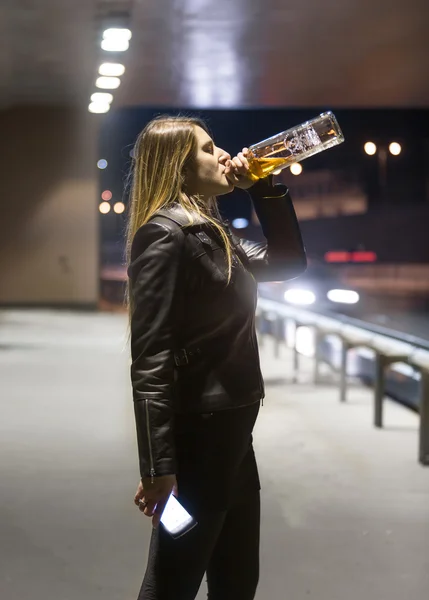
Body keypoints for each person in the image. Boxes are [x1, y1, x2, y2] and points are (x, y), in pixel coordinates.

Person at [126, 115, 306, 600]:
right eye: (208, 150)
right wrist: (157, 465)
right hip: (200, 436)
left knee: (236, 578)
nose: (225, 155)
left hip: (232, 430)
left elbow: (287, 263)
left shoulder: (213, 232)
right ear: (178, 169)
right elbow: (150, 355)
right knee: (173, 580)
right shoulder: (166, 235)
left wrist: (264, 185)